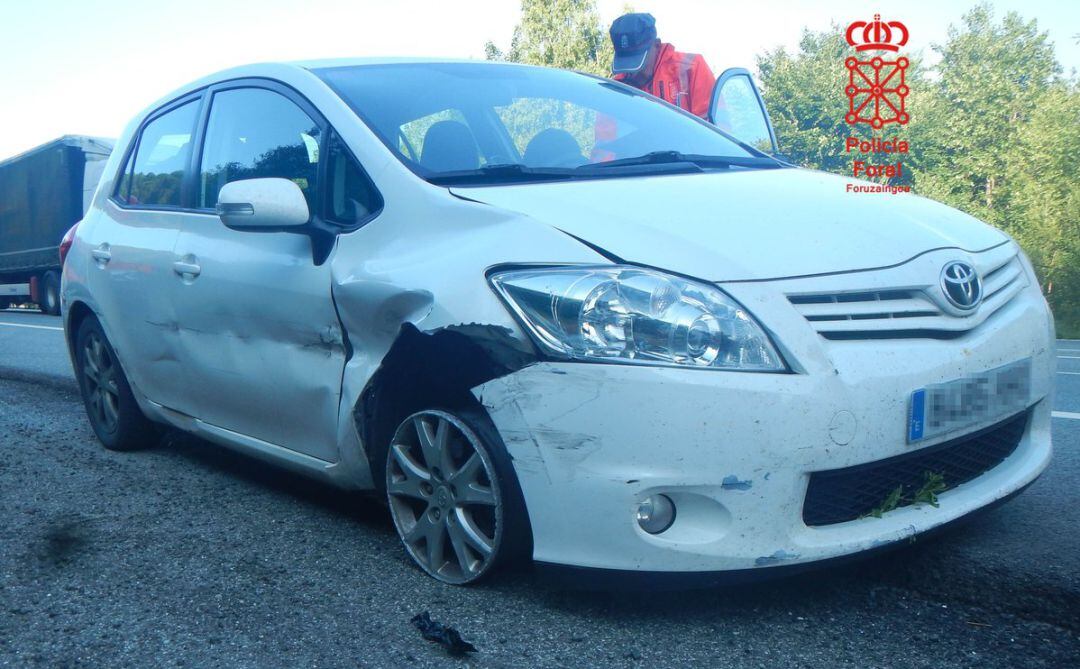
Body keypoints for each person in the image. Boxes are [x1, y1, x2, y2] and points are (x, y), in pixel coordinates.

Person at [608, 13, 716, 120]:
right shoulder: (617, 87)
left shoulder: (692, 67)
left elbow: (714, 129)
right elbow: (606, 135)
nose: (634, 73)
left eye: (638, 62)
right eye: (626, 64)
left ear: (656, 45)